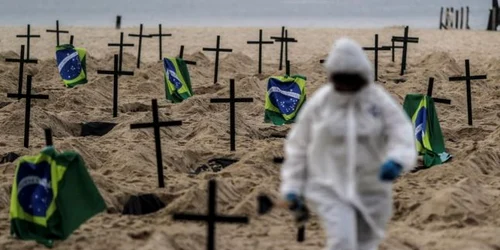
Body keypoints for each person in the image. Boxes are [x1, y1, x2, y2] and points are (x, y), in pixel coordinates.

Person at [279, 38, 417, 250]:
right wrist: (293, 186)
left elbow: (401, 131)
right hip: (330, 185)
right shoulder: (321, 103)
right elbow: (299, 146)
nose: (346, 86)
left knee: (366, 243)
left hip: (371, 187)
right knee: (342, 242)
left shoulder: (377, 101)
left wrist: (398, 159)